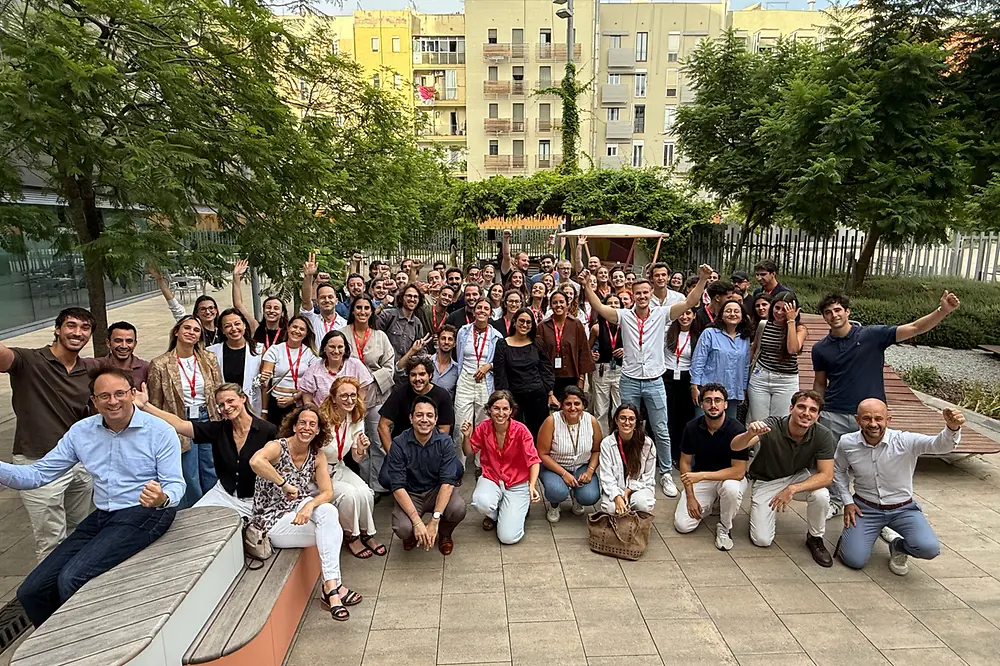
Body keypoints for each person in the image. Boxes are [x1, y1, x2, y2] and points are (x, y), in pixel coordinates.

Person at [6, 368, 183, 627]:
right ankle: (54, 642)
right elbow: (37, 475)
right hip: (103, 515)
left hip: (147, 511)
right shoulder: (82, 432)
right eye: (104, 396)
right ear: (94, 401)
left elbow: (176, 484)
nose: (113, 401)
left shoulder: (159, 431)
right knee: (31, 591)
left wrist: (163, 498)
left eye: (120, 393)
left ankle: (85, 642)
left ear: (133, 394)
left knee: (72, 578)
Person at [813, 289, 960, 517]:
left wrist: (943, 311)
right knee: (833, 463)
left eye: (838, 310)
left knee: (879, 463)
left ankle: (881, 508)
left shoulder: (872, 335)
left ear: (847, 311)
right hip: (834, 414)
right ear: (824, 317)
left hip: (872, 416)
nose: (834, 315)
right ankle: (836, 501)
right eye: (828, 312)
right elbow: (820, 383)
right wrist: (816, 410)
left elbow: (914, 328)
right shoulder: (820, 348)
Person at [580, 266, 711, 499]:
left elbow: (690, 301)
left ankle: (666, 474)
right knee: (628, 426)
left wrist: (702, 279)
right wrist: (587, 285)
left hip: (654, 380)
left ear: (651, 293)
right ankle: (626, 469)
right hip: (629, 380)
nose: (641, 296)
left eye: (645, 292)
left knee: (661, 428)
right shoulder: (624, 316)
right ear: (631, 294)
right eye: (637, 293)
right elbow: (599, 307)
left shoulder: (662, 314)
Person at [0, 307, 99, 561]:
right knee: (51, 540)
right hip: (37, 463)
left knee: (82, 530)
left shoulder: (86, 369)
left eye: (84, 328)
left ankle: (78, 587)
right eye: (71, 325)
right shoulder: (29, 361)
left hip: (78, 463)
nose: (77, 332)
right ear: (57, 329)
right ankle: (51, 597)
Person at [250, 406, 361, 621]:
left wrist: (309, 506)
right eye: (302, 422)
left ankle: (329, 588)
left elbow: (327, 492)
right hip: (270, 520)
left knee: (328, 511)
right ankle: (334, 589)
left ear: (318, 430)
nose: (306, 427)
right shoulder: (278, 447)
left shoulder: (316, 456)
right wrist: (283, 484)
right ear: (294, 425)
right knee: (332, 530)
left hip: (297, 511)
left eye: (312, 424)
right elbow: (255, 462)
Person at [834, 400, 964, 575]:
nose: (873, 424)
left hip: (903, 509)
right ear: (857, 420)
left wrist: (952, 428)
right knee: (854, 560)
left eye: (879, 418)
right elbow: (838, 470)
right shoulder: (847, 443)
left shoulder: (905, 440)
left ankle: (898, 546)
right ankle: (861, 535)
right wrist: (848, 501)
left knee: (929, 548)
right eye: (866, 418)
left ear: (889, 419)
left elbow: (939, 446)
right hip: (865, 509)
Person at [137, 381, 274, 517]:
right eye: (221, 404)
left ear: (243, 398)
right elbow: (180, 424)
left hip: (256, 500)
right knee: (192, 521)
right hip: (223, 494)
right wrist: (146, 406)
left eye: (230, 401)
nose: (226, 407)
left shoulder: (268, 430)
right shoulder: (217, 429)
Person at [731, 390, 836, 566]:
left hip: (797, 477)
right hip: (767, 480)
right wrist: (749, 433)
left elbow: (827, 475)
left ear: (818, 415)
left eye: (812, 410)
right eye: (801, 407)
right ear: (791, 408)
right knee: (762, 540)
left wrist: (792, 489)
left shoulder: (823, 434)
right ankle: (761, 510)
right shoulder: (772, 424)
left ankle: (815, 537)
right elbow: (735, 447)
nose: (806, 413)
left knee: (821, 495)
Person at [148, 315, 224, 508]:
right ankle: (193, 510)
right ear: (177, 332)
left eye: (196, 330)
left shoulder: (209, 359)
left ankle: (213, 506)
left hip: (207, 417)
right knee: (187, 470)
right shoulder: (160, 364)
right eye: (187, 328)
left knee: (210, 466)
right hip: (178, 419)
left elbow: (218, 388)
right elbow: (155, 401)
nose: (191, 332)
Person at [386, 396, 467, 554]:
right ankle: (412, 535)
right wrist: (417, 522)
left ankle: (443, 534)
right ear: (411, 418)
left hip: (436, 490)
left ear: (436, 420)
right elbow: (397, 486)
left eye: (429, 415)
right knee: (402, 527)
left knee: (458, 508)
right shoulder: (398, 443)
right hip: (411, 493)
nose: (424, 420)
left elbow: (447, 483)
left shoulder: (445, 442)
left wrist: (434, 520)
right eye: (419, 415)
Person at [673, 384, 749, 551]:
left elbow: (738, 472)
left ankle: (724, 527)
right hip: (703, 480)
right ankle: (714, 502)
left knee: (731, 489)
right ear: (702, 404)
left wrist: (702, 476)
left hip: (728, 478)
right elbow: (685, 463)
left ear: (726, 404)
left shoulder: (737, 429)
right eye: (708, 400)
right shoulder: (692, 427)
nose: (713, 405)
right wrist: (691, 497)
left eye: (718, 400)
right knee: (683, 525)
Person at [461, 391, 541, 543]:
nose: (500, 413)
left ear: (511, 410)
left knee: (508, 538)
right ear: (489, 409)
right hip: (492, 478)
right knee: (480, 502)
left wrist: (531, 486)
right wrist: (466, 436)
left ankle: (515, 509)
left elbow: (534, 460)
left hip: (517, 483)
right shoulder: (483, 427)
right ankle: (498, 512)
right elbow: (469, 451)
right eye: (496, 408)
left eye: (505, 409)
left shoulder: (521, 430)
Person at [318, 377, 384, 558]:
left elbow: (356, 456)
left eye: (353, 396)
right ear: (333, 398)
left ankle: (366, 532)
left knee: (366, 492)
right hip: (318, 472)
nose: (349, 400)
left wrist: (361, 449)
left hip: (339, 466)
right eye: (344, 396)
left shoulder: (355, 416)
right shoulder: (321, 420)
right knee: (349, 494)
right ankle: (351, 536)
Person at [342, 296, 396, 493]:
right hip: (349, 399)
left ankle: (379, 485)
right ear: (353, 310)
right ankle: (363, 484)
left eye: (367, 308)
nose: (363, 311)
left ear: (371, 312)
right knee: (357, 440)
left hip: (376, 395)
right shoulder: (342, 334)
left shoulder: (381, 336)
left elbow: (390, 367)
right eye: (359, 308)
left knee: (378, 439)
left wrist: (368, 378)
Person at [536, 387, 603, 523]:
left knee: (590, 496)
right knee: (557, 491)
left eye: (577, 404)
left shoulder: (591, 421)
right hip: (555, 466)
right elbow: (542, 454)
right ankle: (554, 504)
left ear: (583, 404)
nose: (573, 408)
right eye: (568, 404)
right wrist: (564, 474)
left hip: (582, 466)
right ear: (561, 405)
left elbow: (597, 450)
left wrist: (590, 471)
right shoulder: (551, 421)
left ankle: (577, 495)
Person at [452, 300, 504, 460]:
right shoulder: (463, 331)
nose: (482, 311)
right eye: (479, 308)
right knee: (461, 424)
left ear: (490, 313)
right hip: (466, 380)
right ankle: (458, 466)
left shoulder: (496, 336)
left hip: (485, 383)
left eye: (486, 308)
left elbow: (502, 361)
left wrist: (488, 366)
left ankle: (480, 465)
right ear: (473, 312)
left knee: (483, 425)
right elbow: (459, 354)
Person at [493, 308, 555, 439]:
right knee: (514, 435)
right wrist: (505, 399)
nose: (524, 325)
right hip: (514, 399)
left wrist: (547, 390)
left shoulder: (537, 342)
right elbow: (500, 375)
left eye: (528, 322)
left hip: (537, 396)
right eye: (521, 321)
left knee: (538, 434)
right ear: (514, 322)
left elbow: (546, 369)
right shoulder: (502, 344)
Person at [747, 292, 807, 422]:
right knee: (758, 422)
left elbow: (792, 349)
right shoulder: (763, 325)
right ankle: (758, 444)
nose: (779, 312)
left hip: (785, 380)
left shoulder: (800, 329)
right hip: (760, 377)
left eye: (784, 309)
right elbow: (754, 349)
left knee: (779, 422)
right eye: (777, 308)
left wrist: (791, 321)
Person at [690, 299, 752, 420]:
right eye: (728, 311)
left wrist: (743, 389)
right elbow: (698, 360)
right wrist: (694, 386)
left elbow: (745, 366)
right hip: (708, 390)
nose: (732, 314)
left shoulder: (745, 338)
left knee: (728, 428)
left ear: (742, 316)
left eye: (736, 311)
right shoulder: (709, 333)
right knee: (702, 425)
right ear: (721, 315)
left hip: (732, 391)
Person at [379, 357, 456, 447]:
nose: (417, 378)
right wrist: (392, 454)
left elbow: (444, 430)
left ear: (430, 375)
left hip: (431, 449)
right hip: (402, 448)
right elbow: (383, 425)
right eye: (413, 375)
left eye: (422, 374)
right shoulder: (400, 393)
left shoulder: (442, 396)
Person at [259, 315, 318, 427]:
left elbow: (311, 384)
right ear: (288, 328)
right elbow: (266, 383)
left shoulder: (310, 354)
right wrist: (264, 410)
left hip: (299, 402)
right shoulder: (275, 350)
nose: (297, 331)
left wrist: (293, 399)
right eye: (294, 327)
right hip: (276, 402)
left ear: (306, 333)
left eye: (302, 329)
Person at [537, 291, 595, 402]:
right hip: (549, 378)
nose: (558, 305)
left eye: (561, 302)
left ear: (567, 304)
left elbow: (583, 352)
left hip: (572, 376)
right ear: (550, 305)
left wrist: (581, 379)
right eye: (555, 302)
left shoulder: (576, 324)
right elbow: (539, 355)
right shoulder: (542, 327)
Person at [598, 403, 656, 515]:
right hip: (616, 487)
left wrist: (629, 491)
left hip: (639, 487)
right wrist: (617, 496)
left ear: (637, 422)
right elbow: (606, 476)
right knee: (610, 509)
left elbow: (648, 477)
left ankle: (634, 515)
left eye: (631, 419)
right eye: (623, 418)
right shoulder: (607, 443)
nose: (627, 422)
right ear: (616, 420)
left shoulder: (647, 443)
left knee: (642, 504)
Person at [149, 265, 225, 346]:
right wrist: (160, 280)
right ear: (197, 312)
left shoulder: (222, 328)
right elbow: (175, 307)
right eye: (203, 309)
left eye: (211, 308)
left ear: (216, 310)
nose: (207, 312)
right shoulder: (192, 327)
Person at [207, 308, 263, 414]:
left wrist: (264, 411)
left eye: (237, 324)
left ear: (244, 325)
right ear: (222, 330)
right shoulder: (212, 352)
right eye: (227, 326)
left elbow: (264, 384)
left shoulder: (259, 349)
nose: (234, 329)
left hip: (252, 407)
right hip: (224, 409)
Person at [300, 330, 373, 407]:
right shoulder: (314, 368)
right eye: (332, 347)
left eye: (340, 347)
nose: (336, 351)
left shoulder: (356, 365)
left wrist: (353, 410)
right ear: (324, 348)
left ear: (345, 348)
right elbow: (307, 401)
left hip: (350, 415)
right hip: (321, 416)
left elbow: (364, 388)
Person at [663, 308, 698, 466]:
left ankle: (680, 454)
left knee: (684, 418)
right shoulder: (667, 332)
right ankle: (665, 454)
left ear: (694, 315)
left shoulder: (698, 335)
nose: (684, 317)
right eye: (682, 313)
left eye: (688, 313)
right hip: (667, 376)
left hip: (686, 377)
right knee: (667, 417)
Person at [590, 293, 624, 431]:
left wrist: (625, 350)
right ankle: (601, 442)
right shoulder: (597, 328)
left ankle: (618, 439)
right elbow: (587, 348)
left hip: (621, 370)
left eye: (616, 303)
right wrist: (592, 354)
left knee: (618, 408)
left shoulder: (626, 325)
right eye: (610, 303)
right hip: (602, 370)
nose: (613, 306)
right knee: (601, 409)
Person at [376, 283, 427, 367]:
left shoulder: (417, 323)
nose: (412, 299)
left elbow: (420, 349)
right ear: (402, 297)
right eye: (409, 296)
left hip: (404, 372)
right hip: (384, 367)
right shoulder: (388, 315)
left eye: (415, 297)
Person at [300, 253, 346, 339]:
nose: (327, 300)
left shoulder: (345, 325)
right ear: (316, 301)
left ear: (336, 301)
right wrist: (309, 276)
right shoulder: (311, 320)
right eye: (322, 297)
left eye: (330, 297)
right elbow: (306, 301)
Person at [101, 321, 149, 387]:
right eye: (118, 341)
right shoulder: (97, 366)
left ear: (135, 344)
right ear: (108, 343)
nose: (124, 346)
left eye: (129, 341)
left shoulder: (146, 368)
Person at [432, 325, 460, 396]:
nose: (446, 342)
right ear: (438, 341)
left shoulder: (457, 370)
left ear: (454, 344)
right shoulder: (427, 362)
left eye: (450, 339)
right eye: (443, 338)